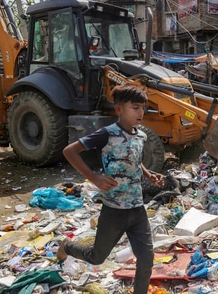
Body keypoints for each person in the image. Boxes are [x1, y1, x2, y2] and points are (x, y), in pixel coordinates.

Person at [57, 84, 165, 294]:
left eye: (143, 108)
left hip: (137, 209)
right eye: (135, 107)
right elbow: (69, 151)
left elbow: (134, 159)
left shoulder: (141, 136)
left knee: (147, 259)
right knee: (97, 257)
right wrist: (94, 177)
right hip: (113, 210)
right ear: (119, 109)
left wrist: (148, 173)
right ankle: (67, 246)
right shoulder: (106, 134)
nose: (141, 112)